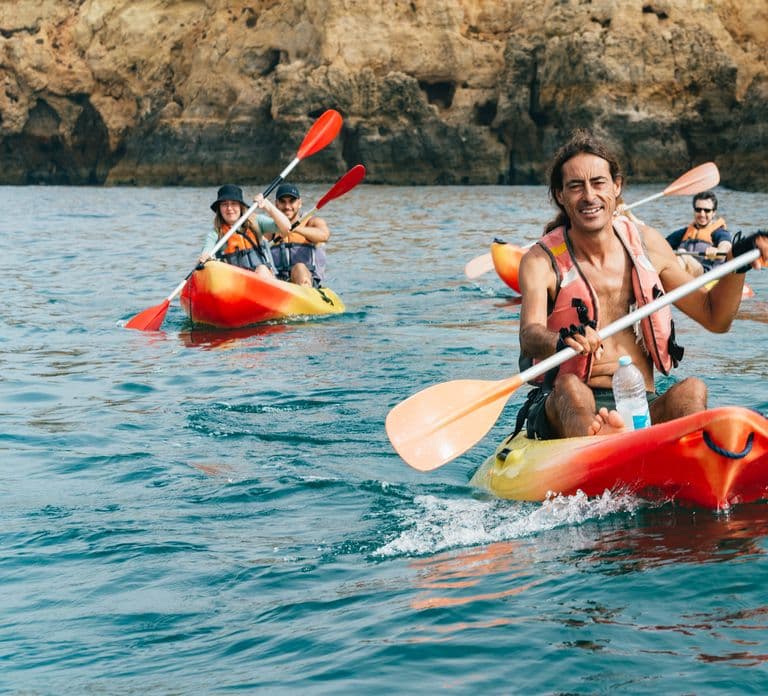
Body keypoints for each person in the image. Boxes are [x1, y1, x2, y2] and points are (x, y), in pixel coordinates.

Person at [515, 129, 768, 439]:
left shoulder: (647, 244)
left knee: (692, 390)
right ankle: (596, 443)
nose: (590, 196)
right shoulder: (540, 260)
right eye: (576, 187)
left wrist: (738, 262)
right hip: (564, 404)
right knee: (570, 388)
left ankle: (661, 454)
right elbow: (529, 335)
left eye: (598, 183)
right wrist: (561, 339)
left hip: (638, 402)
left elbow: (715, 317)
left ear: (616, 186)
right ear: (560, 195)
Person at [199, 184, 291, 276]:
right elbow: (206, 252)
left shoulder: (256, 221)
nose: (229, 208)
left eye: (233, 203)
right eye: (224, 204)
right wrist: (205, 258)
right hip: (237, 283)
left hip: (265, 279)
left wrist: (268, 206)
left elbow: (286, 227)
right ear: (219, 209)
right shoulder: (215, 233)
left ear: (240, 207)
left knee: (262, 269)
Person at [268, 183, 331, 287]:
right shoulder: (270, 227)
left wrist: (295, 228)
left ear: (299, 203)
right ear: (276, 204)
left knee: (299, 267)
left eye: (291, 201)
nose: (287, 206)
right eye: (282, 202)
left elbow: (324, 236)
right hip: (278, 282)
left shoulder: (312, 222)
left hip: (306, 280)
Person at [665, 191, 731, 276]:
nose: (702, 214)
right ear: (694, 210)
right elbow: (661, 245)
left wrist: (718, 251)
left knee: (681, 252)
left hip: (707, 276)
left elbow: (726, 245)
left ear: (714, 212)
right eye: (698, 210)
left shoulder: (720, 233)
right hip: (685, 275)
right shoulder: (683, 233)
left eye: (707, 210)